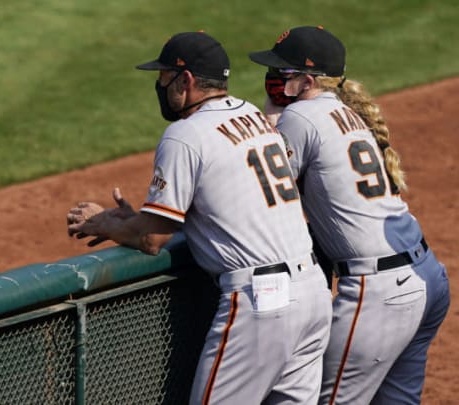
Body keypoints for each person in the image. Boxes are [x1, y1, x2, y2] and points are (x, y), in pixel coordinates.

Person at [66, 31, 332, 404]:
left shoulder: (184, 135)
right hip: (313, 293)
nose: (160, 87)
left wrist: (104, 223)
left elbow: (153, 240)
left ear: (186, 80)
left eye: (163, 78)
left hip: (262, 302)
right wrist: (138, 219)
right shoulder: (252, 114)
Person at [249, 25, 451, 404]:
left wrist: (272, 116)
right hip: (427, 278)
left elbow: (264, 194)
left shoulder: (300, 118)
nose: (272, 79)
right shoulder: (347, 112)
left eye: (281, 73)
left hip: (380, 294)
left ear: (306, 81)